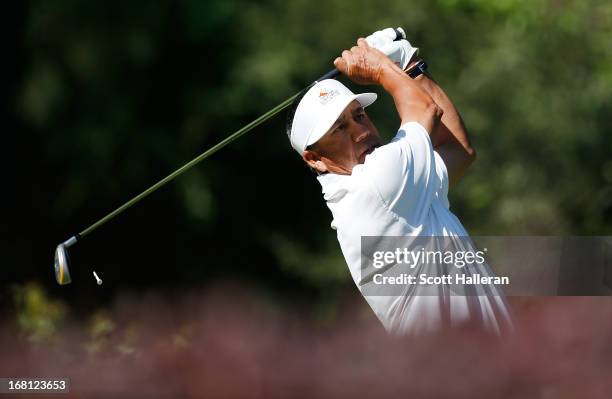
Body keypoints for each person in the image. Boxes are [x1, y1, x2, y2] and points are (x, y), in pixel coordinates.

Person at [286, 28, 513, 335]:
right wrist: (382, 66)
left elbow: (457, 150)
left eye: (360, 115)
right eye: (339, 129)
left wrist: (410, 67)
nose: (359, 131)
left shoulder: (397, 186)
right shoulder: (374, 185)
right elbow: (425, 109)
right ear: (313, 159)